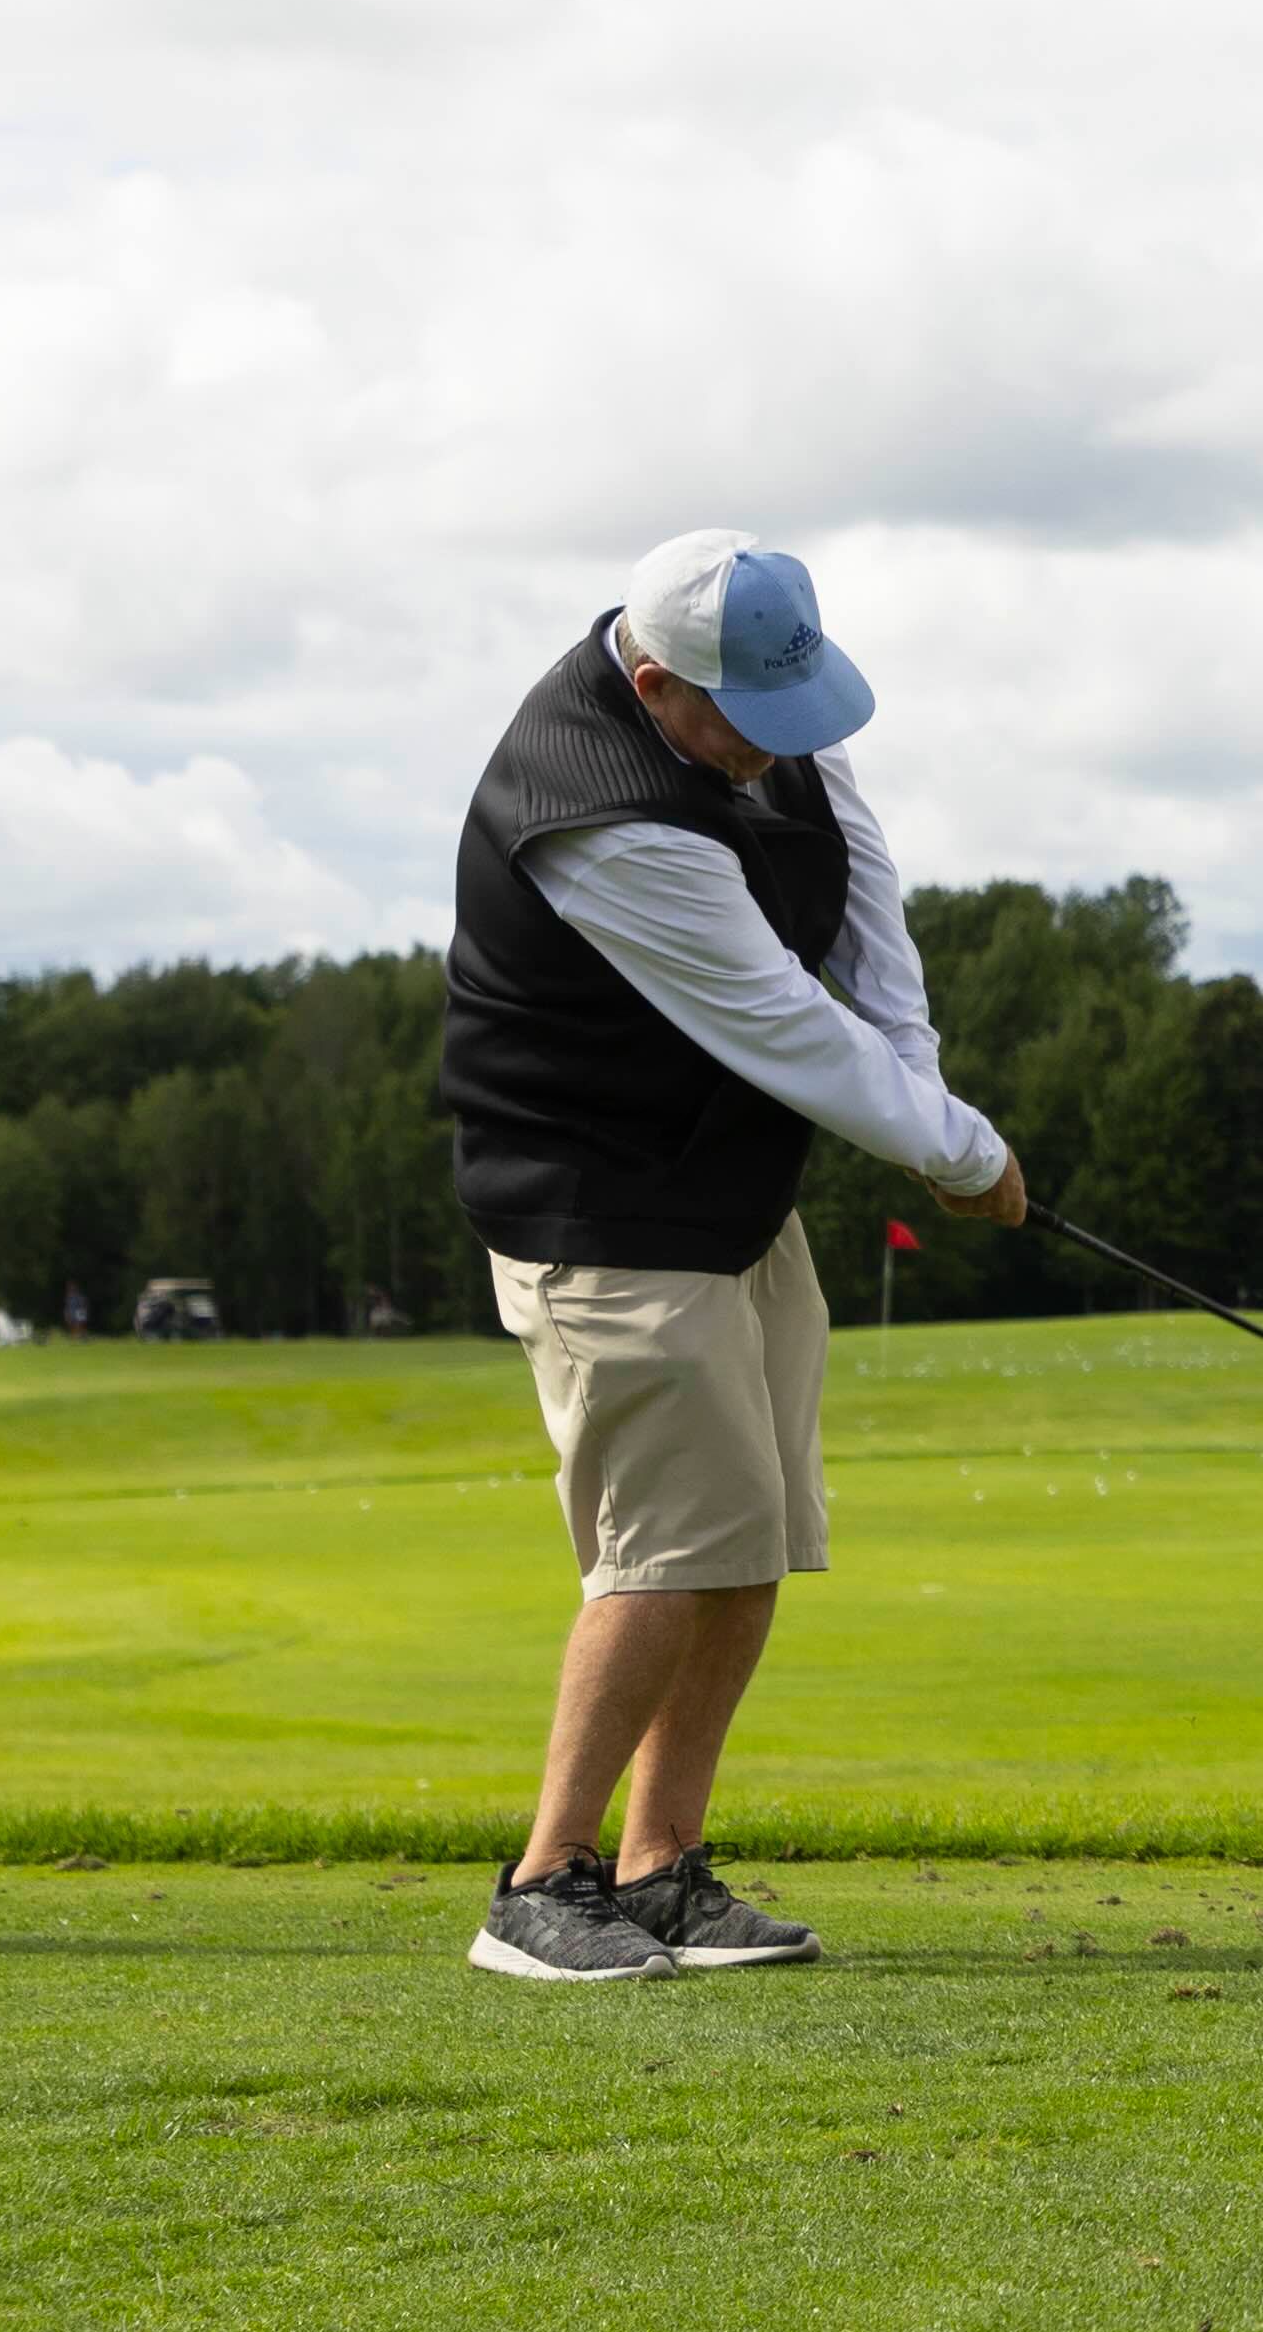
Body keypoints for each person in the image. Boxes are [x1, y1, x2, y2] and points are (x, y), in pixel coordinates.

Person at [441, 530, 1031, 1984]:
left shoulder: (753, 716)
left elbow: (865, 910)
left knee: (754, 1538)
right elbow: (782, 1020)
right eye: (751, 732)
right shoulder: (599, 814)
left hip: (733, 1196)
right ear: (653, 681)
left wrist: (937, 1091)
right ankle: (542, 1884)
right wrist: (957, 1153)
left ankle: (660, 1872)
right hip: (604, 1209)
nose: (781, 754)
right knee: (665, 1553)